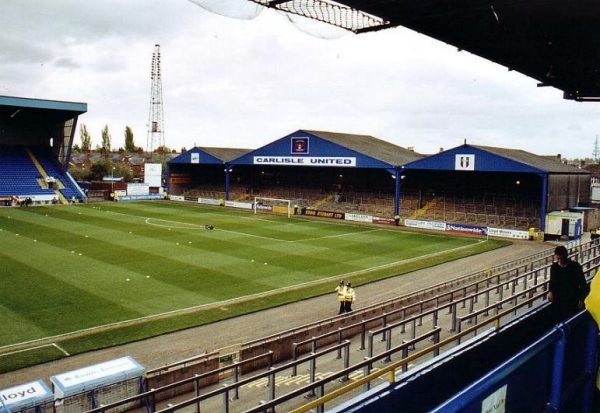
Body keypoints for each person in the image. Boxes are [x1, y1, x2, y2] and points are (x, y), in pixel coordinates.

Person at [547, 245, 589, 321]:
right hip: (558, 301)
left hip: (572, 300)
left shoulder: (575, 267)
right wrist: (550, 291)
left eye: (560, 258)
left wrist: (581, 298)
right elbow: (552, 282)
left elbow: (583, 284)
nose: (559, 261)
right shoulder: (554, 267)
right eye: (557, 259)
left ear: (565, 256)